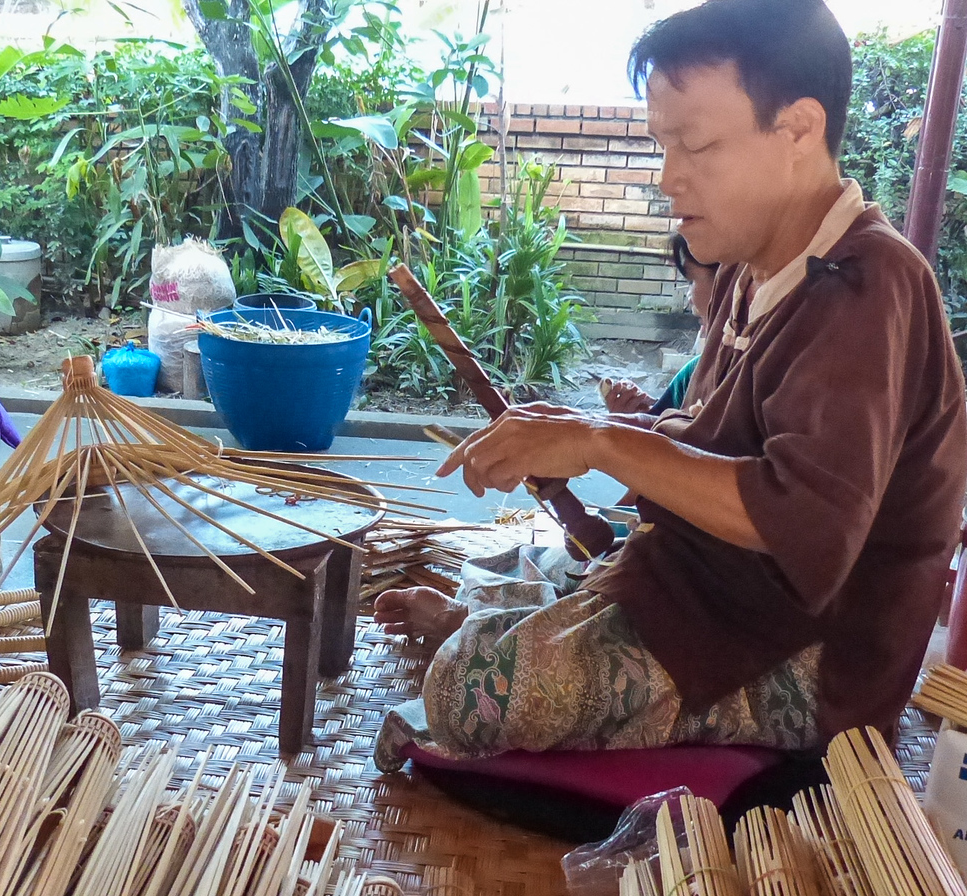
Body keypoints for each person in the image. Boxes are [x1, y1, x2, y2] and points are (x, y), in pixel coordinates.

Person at [374, 0, 966, 770]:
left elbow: (806, 520)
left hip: (805, 659)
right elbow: (713, 442)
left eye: (694, 144)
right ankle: (490, 616)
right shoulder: (752, 271)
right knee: (515, 574)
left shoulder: (868, 285)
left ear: (797, 129)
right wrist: (576, 433)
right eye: (662, 144)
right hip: (710, 594)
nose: (666, 178)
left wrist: (600, 442)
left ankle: (482, 627)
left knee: (464, 689)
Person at [603, 233, 719, 415]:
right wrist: (637, 415)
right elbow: (660, 424)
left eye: (691, 281)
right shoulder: (692, 375)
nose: (689, 299)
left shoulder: (753, 378)